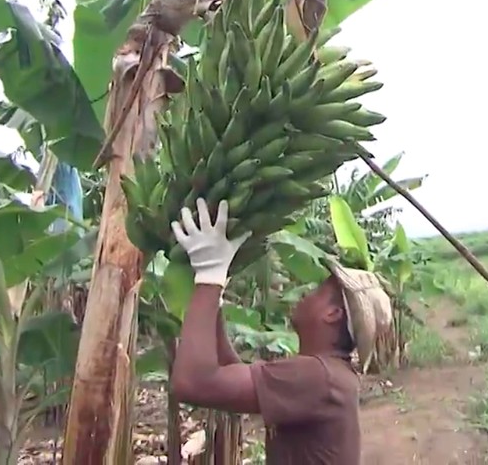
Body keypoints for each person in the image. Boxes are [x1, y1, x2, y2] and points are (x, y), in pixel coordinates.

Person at [167, 198, 392, 464]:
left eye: (319, 290)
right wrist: (213, 298)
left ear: (333, 314)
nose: (307, 292)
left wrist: (208, 278)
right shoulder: (328, 374)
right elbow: (234, 373)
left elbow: (191, 383)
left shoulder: (320, 377)